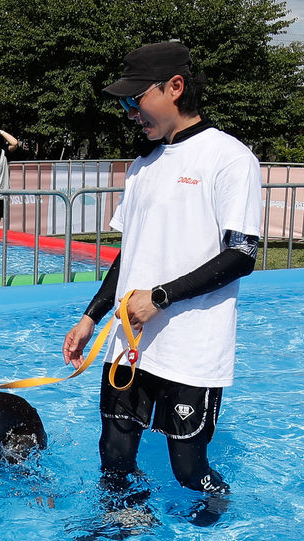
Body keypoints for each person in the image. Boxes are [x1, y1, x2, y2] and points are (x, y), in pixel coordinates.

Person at [62, 41, 262, 514]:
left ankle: (219, 514)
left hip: (191, 345)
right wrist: (91, 317)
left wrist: (162, 297)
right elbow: (129, 254)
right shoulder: (142, 165)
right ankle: (126, 526)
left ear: (174, 88)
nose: (130, 112)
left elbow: (242, 255)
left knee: (188, 470)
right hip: (129, 341)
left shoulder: (228, 158)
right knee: (113, 456)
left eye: (136, 99)